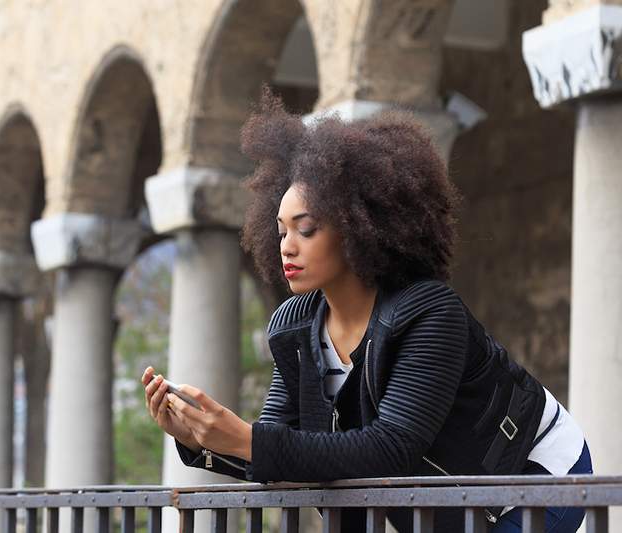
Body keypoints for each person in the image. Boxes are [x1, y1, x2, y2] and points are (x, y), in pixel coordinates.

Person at [141, 90, 592, 532]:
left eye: (307, 229)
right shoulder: (294, 328)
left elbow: (389, 447)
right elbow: (282, 452)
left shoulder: (429, 313)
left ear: (361, 225)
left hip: (532, 474)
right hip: (455, 502)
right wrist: (198, 438)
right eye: (280, 231)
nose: (287, 246)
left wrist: (243, 436)